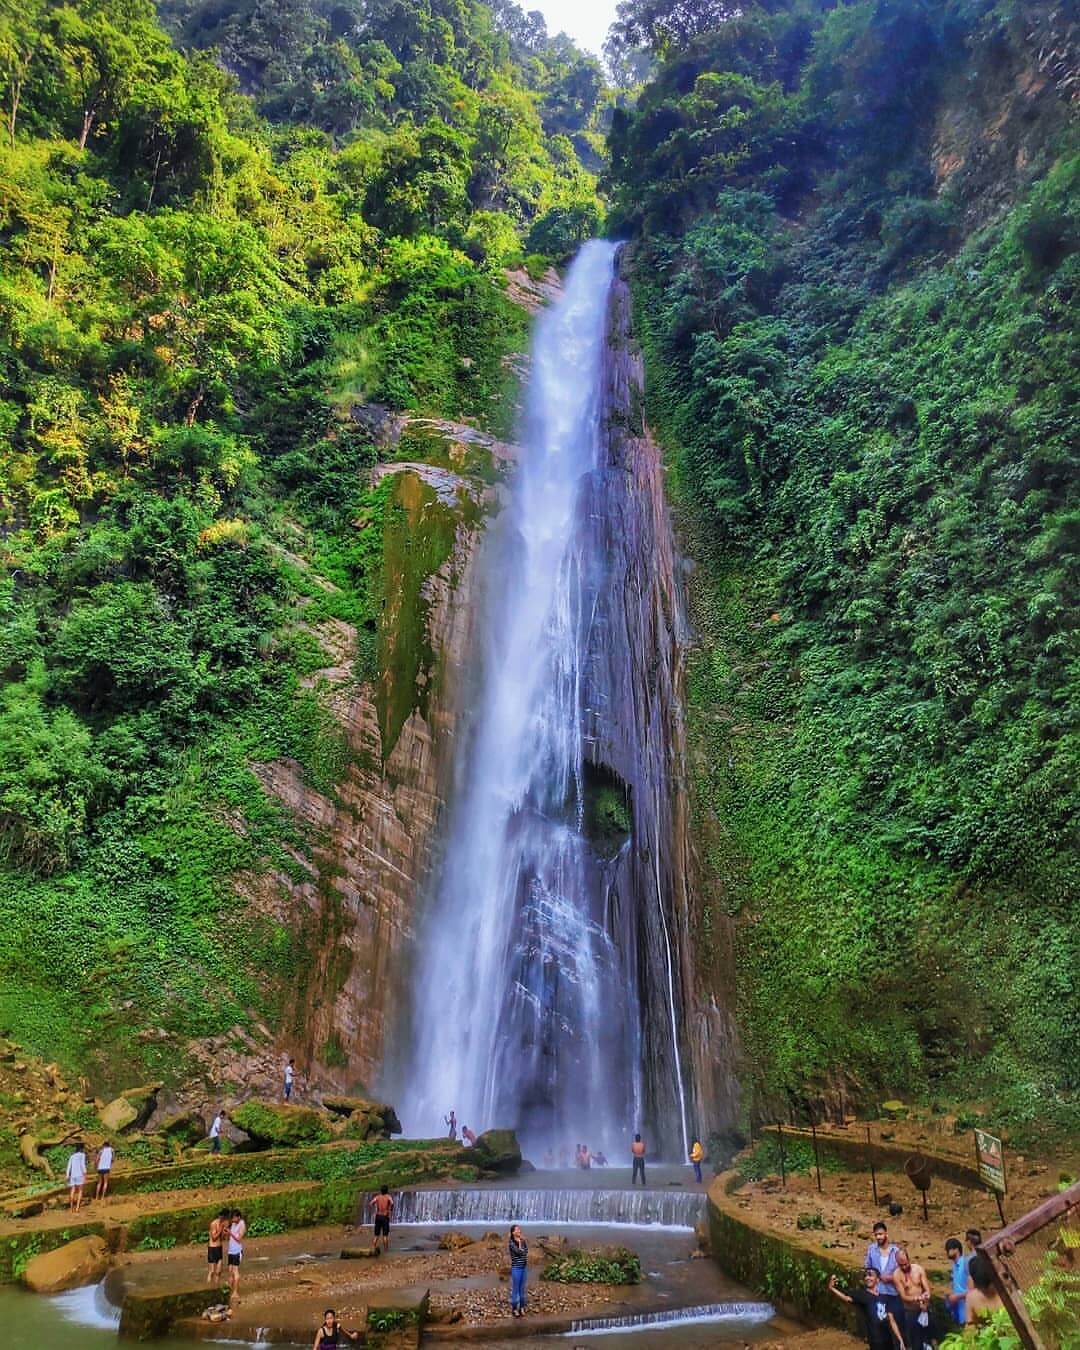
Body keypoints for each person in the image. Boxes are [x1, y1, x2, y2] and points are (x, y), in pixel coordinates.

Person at [828, 1271, 904, 1350]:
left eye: (870, 1275)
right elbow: (846, 1297)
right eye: (865, 1276)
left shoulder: (885, 1297)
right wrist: (832, 1288)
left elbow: (892, 1320)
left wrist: (900, 1339)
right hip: (875, 1340)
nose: (867, 1277)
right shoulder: (862, 1295)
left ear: (877, 1280)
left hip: (888, 1339)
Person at [893, 1247, 933, 1350]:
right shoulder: (896, 1275)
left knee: (929, 1339)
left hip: (924, 1308)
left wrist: (926, 1297)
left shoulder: (918, 1269)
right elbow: (903, 1296)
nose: (904, 1267)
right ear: (897, 1263)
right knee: (916, 1342)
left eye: (906, 1264)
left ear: (909, 1259)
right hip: (910, 1311)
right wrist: (916, 1298)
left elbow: (927, 1288)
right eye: (901, 1265)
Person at [866, 1221, 903, 1329]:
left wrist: (891, 1278)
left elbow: (902, 1272)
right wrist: (875, 1277)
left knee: (896, 1324)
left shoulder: (896, 1251)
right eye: (876, 1235)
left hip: (893, 1293)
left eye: (880, 1234)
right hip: (877, 1293)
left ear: (886, 1234)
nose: (878, 1237)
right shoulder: (871, 1249)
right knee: (879, 1325)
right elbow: (867, 1268)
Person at [966, 1254, 1003, 1325]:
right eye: (983, 1289)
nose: (987, 1292)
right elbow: (970, 1326)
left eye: (989, 1286)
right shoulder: (972, 1298)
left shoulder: (1009, 1292)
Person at [944, 1238, 968, 1325]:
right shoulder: (954, 1266)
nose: (947, 1252)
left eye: (948, 1249)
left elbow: (974, 1289)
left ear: (956, 1249)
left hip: (968, 1309)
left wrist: (957, 1296)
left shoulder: (966, 1264)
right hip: (959, 1310)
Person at [508, 1224, 528, 1318]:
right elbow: (519, 1252)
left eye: (519, 1229)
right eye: (517, 1230)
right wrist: (520, 1243)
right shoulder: (511, 1243)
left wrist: (522, 1243)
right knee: (516, 1289)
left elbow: (526, 1251)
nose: (519, 1231)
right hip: (516, 1268)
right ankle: (514, 1309)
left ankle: (522, 1308)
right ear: (513, 1232)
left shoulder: (523, 1241)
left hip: (523, 1268)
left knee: (522, 1289)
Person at [227, 1209, 246, 1301]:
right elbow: (231, 1236)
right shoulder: (233, 1223)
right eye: (232, 1218)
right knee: (230, 1271)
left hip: (237, 1251)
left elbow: (239, 1238)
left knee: (235, 1271)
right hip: (231, 1251)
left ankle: (235, 1292)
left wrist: (230, 1233)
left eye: (234, 1218)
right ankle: (231, 1290)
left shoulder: (242, 1224)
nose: (233, 1220)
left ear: (238, 1217)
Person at [207, 1209, 229, 1285]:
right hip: (212, 1248)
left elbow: (222, 1238)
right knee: (212, 1271)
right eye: (225, 1218)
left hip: (219, 1248)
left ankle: (216, 1286)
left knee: (219, 1271)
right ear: (222, 1216)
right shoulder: (214, 1223)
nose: (225, 1220)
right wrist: (221, 1228)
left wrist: (225, 1233)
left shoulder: (224, 1223)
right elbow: (214, 1238)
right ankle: (208, 1286)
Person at [371, 1185, 394, 1253]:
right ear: (387, 1190)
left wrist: (376, 1209)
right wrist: (390, 1210)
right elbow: (392, 1203)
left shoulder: (377, 1197)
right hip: (385, 1217)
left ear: (381, 1191)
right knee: (385, 1235)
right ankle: (386, 1251)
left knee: (376, 1235)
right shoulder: (388, 1197)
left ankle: (373, 1249)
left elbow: (371, 1203)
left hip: (378, 1216)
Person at [66, 1141, 87, 1213]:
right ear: (81, 1148)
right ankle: (77, 1208)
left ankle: (71, 1208)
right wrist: (85, 1174)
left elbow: (69, 1166)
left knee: (72, 1191)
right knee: (80, 1191)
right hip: (79, 1175)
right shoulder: (82, 1155)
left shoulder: (72, 1156)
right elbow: (82, 1165)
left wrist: (67, 1175)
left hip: (72, 1175)